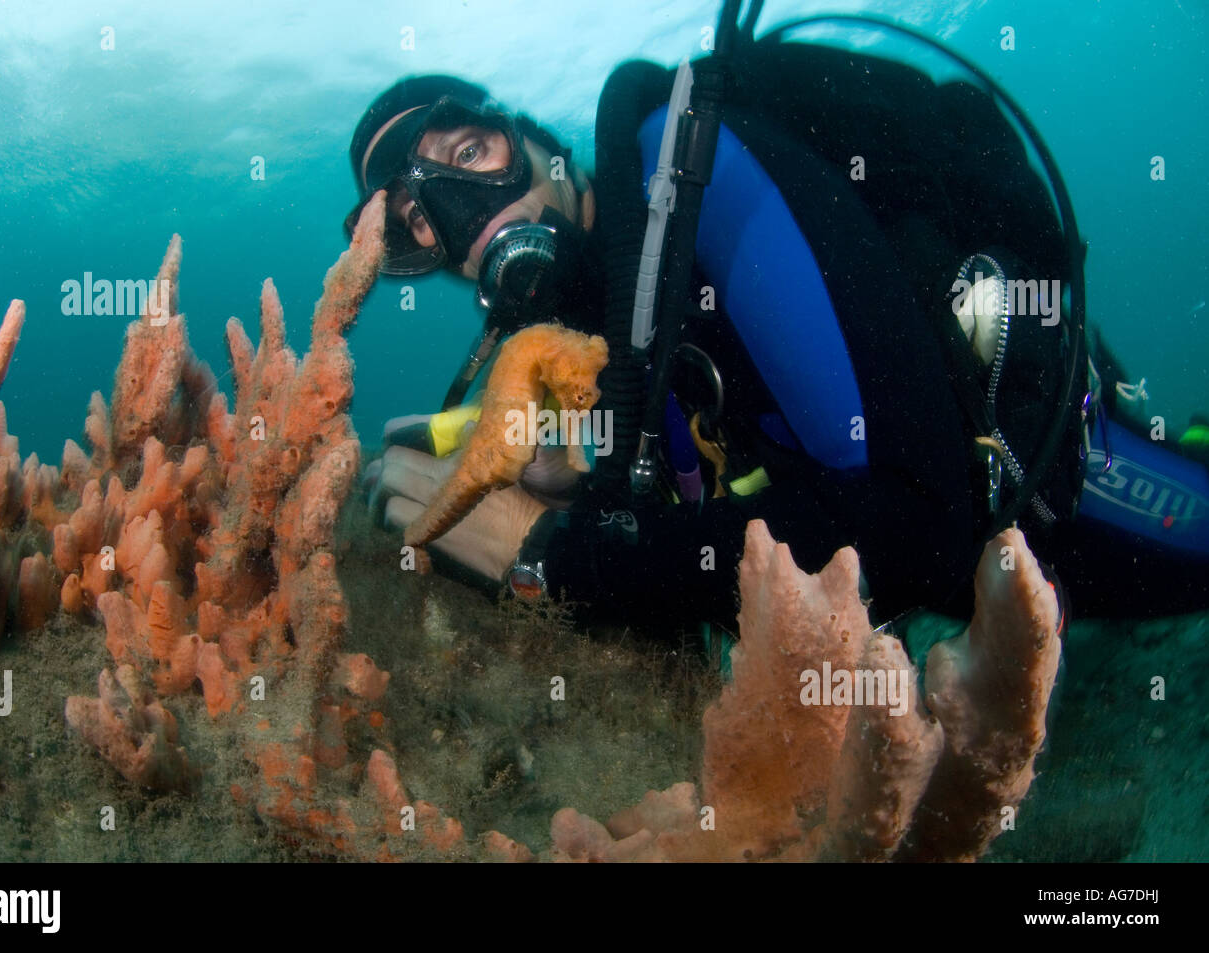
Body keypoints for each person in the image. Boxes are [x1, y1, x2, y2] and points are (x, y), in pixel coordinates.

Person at [350, 18, 1209, 635]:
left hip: (1049, 493)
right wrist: (566, 480)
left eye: (469, 154)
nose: (464, 217)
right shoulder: (599, 337)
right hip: (976, 582)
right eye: (417, 226)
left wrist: (551, 558)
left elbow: (920, 525)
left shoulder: (689, 168)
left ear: (533, 137)